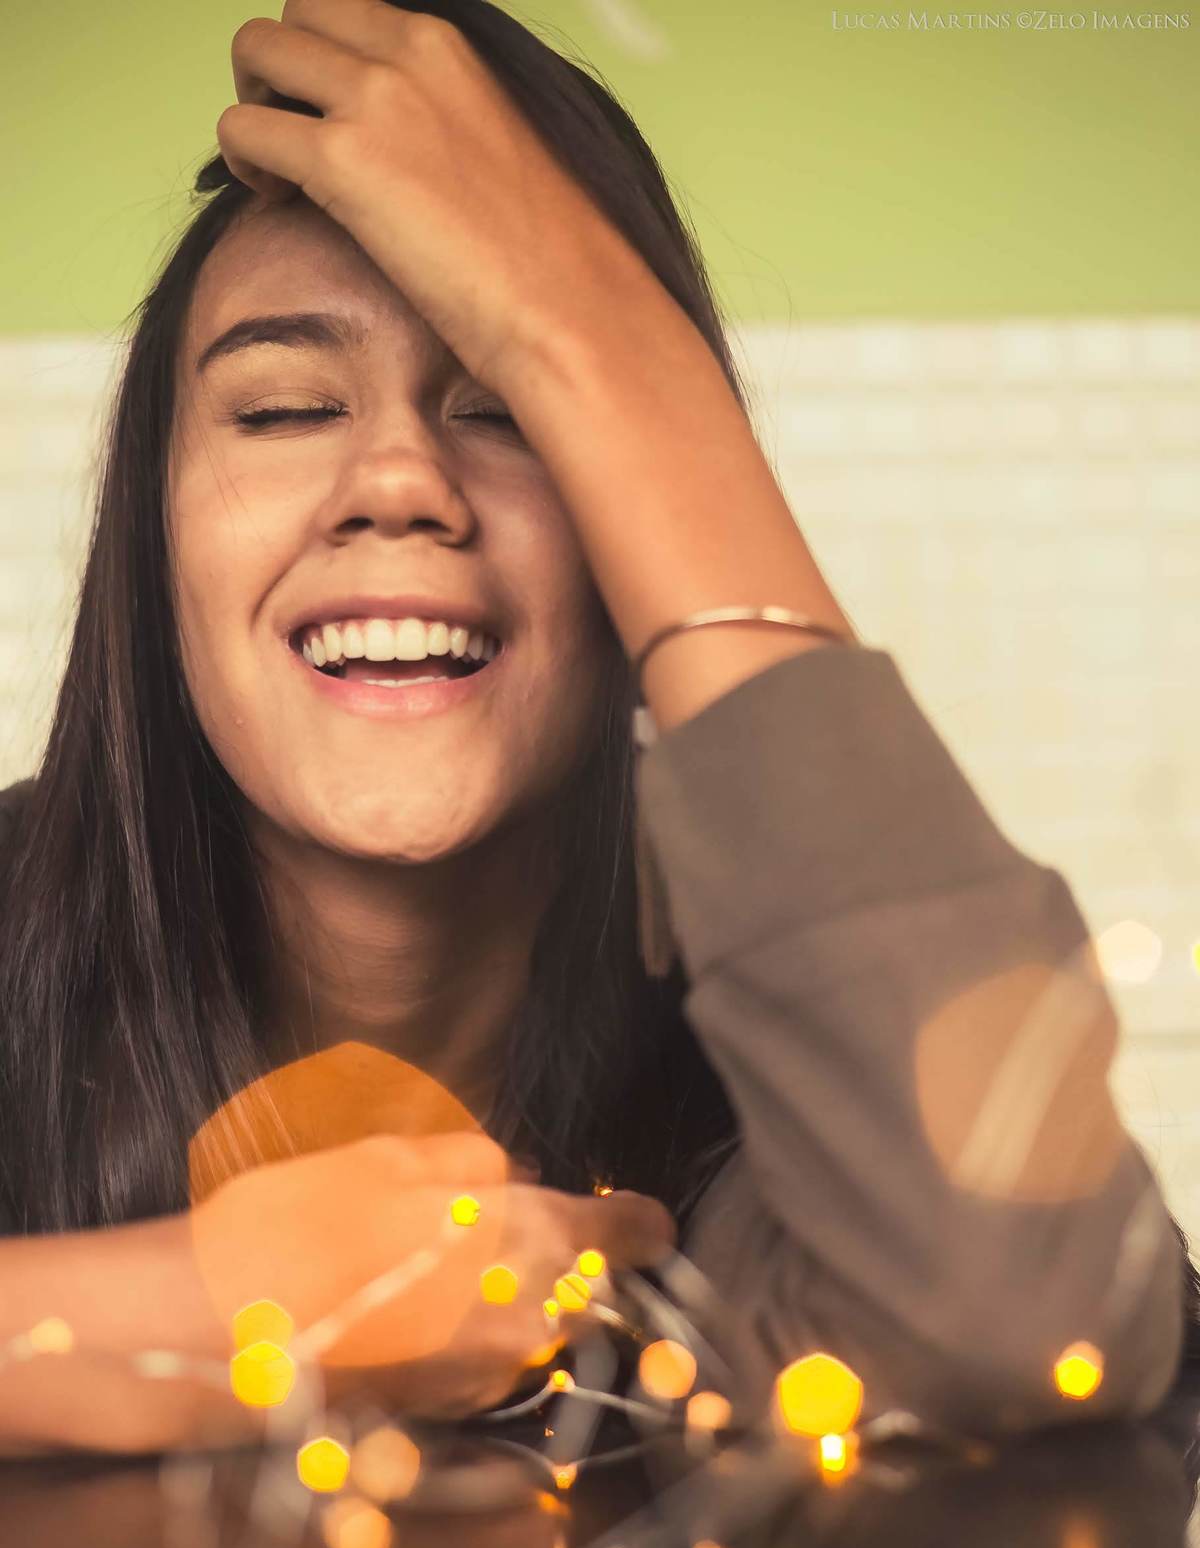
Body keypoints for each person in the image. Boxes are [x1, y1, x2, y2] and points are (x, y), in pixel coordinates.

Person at [0, 0, 1195, 1456]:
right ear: (153, 533)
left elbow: (1032, 1316)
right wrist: (217, 1312)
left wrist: (592, 325)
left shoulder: (778, 1089)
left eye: (511, 410)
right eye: (289, 405)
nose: (399, 478)